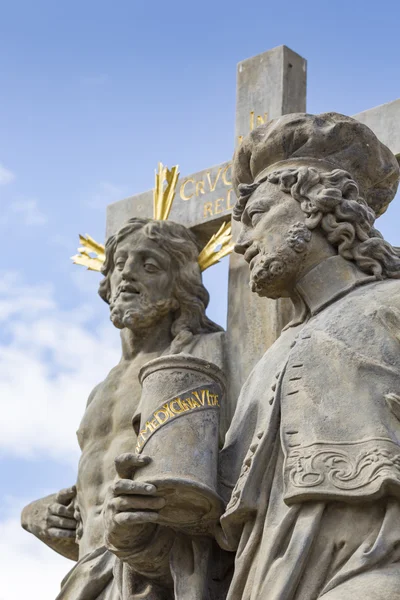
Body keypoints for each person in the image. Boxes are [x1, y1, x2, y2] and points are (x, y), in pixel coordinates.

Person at [110, 112, 400, 600]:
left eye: (256, 216)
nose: (240, 244)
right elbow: (222, 541)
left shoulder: (391, 307)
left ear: (315, 207)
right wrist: (144, 530)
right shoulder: (269, 364)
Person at [21, 217, 225, 599]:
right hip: (91, 572)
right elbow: (90, 501)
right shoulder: (102, 389)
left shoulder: (204, 356)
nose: (128, 274)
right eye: (120, 264)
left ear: (180, 285)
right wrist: (37, 514)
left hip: (161, 573)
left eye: (149, 265)